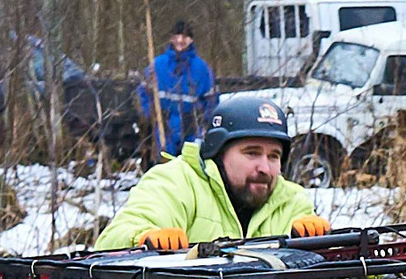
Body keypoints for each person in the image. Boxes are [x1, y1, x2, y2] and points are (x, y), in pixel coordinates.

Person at [96, 92, 332, 250]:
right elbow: (109, 244)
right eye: (251, 153)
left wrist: (323, 250)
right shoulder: (176, 181)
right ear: (217, 152)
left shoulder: (292, 200)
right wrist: (143, 239)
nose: (264, 168)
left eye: (274, 156)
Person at [148, 20, 216, 159]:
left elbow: (211, 100)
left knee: (189, 168)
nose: (180, 40)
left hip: (191, 129)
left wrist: (204, 124)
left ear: (191, 40)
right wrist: (151, 116)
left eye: (185, 37)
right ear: (171, 38)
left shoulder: (202, 69)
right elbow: (143, 93)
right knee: (165, 169)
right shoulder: (157, 65)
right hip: (164, 129)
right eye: (176, 36)